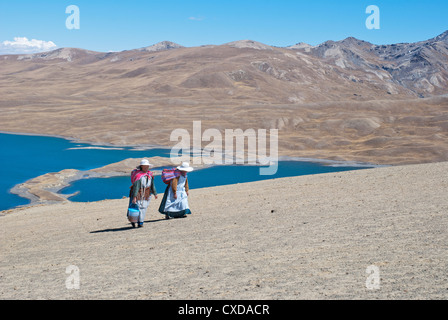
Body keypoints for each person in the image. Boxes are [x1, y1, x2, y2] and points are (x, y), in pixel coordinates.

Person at [129, 159, 158, 227]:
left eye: (147, 166)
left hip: (146, 194)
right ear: (141, 166)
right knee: (138, 207)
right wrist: (134, 197)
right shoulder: (139, 176)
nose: (146, 168)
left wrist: (155, 193)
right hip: (139, 193)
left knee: (144, 208)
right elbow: (136, 187)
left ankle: (140, 222)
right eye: (145, 166)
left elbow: (152, 185)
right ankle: (135, 221)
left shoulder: (150, 175)